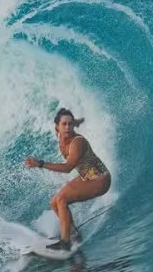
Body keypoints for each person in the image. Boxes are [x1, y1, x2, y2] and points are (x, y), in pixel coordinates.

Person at [25, 108, 111, 251]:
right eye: (64, 124)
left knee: (62, 200)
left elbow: (68, 168)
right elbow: (70, 122)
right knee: (54, 202)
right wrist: (78, 121)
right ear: (57, 127)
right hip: (86, 176)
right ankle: (73, 233)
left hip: (100, 180)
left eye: (70, 124)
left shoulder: (77, 142)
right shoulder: (61, 134)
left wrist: (40, 164)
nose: (68, 127)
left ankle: (65, 243)